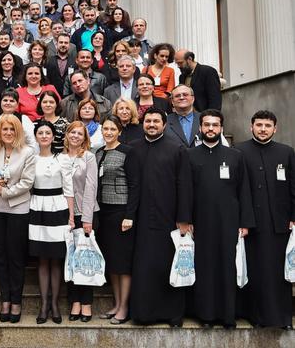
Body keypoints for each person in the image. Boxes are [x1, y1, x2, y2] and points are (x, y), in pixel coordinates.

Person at [187, 109, 254, 328]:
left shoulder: (235, 156)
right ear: (200, 128)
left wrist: (245, 222)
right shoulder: (190, 155)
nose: (211, 129)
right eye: (206, 125)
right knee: (204, 267)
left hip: (229, 221)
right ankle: (205, 316)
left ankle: (228, 316)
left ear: (221, 128)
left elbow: (244, 190)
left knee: (227, 266)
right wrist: (186, 220)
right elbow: (185, 191)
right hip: (200, 222)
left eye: (215, 125)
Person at [126, 107, 192, 327]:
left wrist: (184, 218)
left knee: (168, 264)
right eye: (148, 121)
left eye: (156, 121)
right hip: (142, 218)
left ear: (164, 124)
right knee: (144, 266)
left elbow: (185, 185)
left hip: (169, 218)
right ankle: (143, 314)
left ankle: (172, 314)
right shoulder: (134, 148)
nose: (151, 124)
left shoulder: (177, 149)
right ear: (142, 124)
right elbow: (131, 185)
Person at [235, 110, 295, 330]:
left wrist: (294, 218)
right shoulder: (239, 151)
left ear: (275, 128)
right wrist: (242, 221)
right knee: (256, 270)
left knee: (280, 272)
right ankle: (257, 317)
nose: (262, 129)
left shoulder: (286, 152)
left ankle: (282, 318)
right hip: (252, 224)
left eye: (267, 126)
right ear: (251, 127)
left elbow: (293, 187)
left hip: (280, 223)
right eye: (258, 125)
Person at [0, 115, 35, 323]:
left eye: (12, 130)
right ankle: (5, 299)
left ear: (18, 132)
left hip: (18, 208)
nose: (8, 133)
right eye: (4, 129)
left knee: (15, 257)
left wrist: (6, 192)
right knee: (0, 255)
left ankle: (16, 301)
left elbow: (27, 182)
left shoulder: (27, 153)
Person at [28, 120, 74, 324]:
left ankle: (55, 304)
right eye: (41, 133)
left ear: (53, 136)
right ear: (36, 136)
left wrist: (71, 216)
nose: (44, 136)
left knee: (56, 259)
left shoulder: (62, 159)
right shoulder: (31, 158)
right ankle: (43, 304)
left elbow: (69, 188)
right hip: (37, 207)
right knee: (42, 259)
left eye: (48, 132)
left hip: (58, 208)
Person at [95, 116, 135, 324]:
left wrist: (130, 215)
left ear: (119, 131)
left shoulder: (128, 152)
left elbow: (135, 185)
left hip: (121, 213)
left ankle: (124, 307)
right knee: (112, 262)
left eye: (112, 129)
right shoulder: (99, 152)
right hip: (104, 212)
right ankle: (116, 303)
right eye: (105, 128)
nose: (108, 132)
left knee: (123, 263)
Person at [61, 121, 99, 322]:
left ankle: (86, 303)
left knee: (86, 260)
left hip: (86, 215)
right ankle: (74, 301)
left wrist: (86, 218)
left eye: (79, 133)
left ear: (85, 138)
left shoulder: (89, 157)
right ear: (66, 135)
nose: (75, 136)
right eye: (72, 132)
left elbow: (91, 188)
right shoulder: (60, 158)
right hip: (66, 216)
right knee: (71, 261)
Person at [0, 89, 38, 153]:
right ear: (0, 102)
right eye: (5, 100)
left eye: (12, 101)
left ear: (17, 104)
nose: (8, 103)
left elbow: (32, 142)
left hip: (19, 157)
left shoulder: (24, 119)